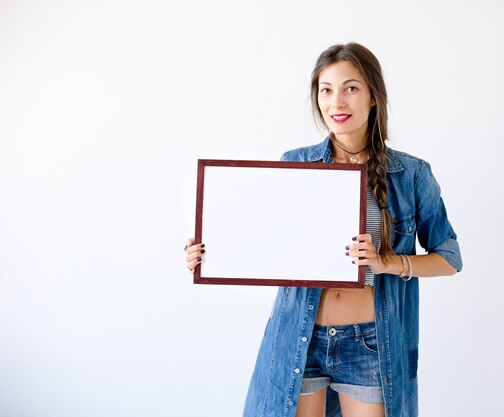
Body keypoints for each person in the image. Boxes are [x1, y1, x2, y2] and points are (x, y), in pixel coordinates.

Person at [184, 42, 462, 417]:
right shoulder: (294, 163)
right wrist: (210, 254)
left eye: (351, 88)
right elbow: (262, 242)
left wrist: (388, 262)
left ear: (373, 97)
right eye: (326, 90)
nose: (337, 102)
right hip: (300, 337)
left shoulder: (411, 173)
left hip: (371, 342)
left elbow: (449, 257)